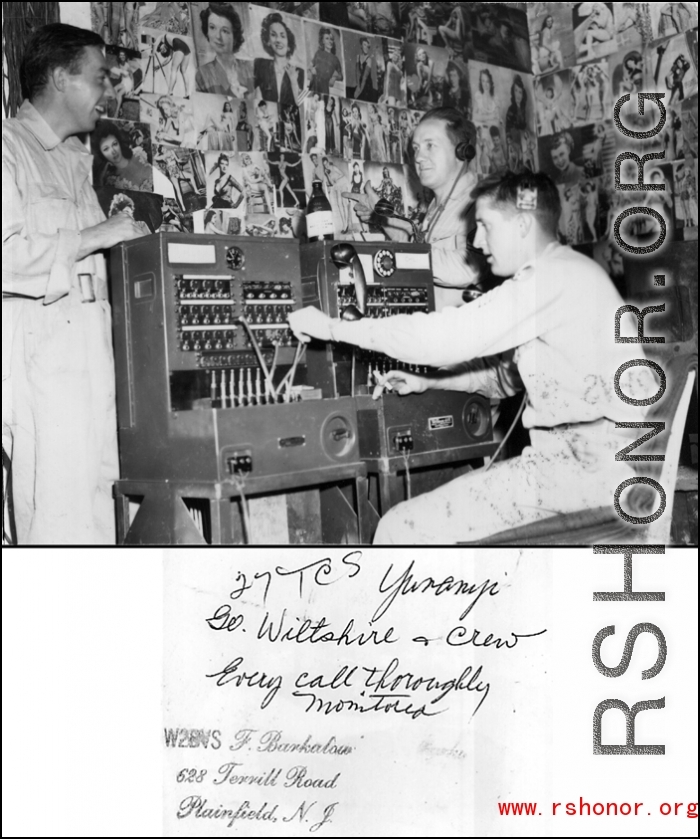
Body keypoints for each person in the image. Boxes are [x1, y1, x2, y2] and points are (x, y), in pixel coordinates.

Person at [288, 171, 657, 543]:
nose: (478, 242)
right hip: (590, 466)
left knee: (398, 528)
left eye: (484, 225)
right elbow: (505, 379)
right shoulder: (569, 271)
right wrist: (430, 381)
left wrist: (333, 328)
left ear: (523, 224)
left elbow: (441, 337)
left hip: (586, 473)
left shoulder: (549, 278)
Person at [2, 23, 146, 544]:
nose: (108, 92)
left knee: (104, 514)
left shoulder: (73, 158)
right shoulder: (8, 147)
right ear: (62, 78)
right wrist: (95, 233)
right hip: (45, 366)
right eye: (99, 78)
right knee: (58, 525)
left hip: (94, 361)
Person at [349, 107, 479, 310]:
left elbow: (467, 267)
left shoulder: (480, 202)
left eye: (430, 146)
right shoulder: (437, 207)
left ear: (461, 151)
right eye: (416, 148)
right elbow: (416, 243)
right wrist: (381, 217)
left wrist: (396, 257)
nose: (418, 157)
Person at [194, 2, 253, 97]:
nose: (218, 36)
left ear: (235, 37)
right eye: (212, 27)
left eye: (225, 31)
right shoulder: (202, 75)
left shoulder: (250, 67)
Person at [254, 12, 304, 107]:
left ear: (288, 44)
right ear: (268, 41)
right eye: (273, 35)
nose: (278, 40)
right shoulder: (260, 65)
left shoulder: (300, 72)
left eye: (282, 36)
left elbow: (302, 105)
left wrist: (293, 81)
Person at [93, 121, 153, 191]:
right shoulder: (112, 181)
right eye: (106, 149)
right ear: (101, 154)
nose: (113, 151)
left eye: (114, 144)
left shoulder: (139, 152)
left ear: (119, 142)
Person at [154, 32, 193, 99]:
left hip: (180, 46)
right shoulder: (171, 45)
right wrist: (159, 66)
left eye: (161, 49)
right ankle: (187, 94)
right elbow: (169, 59)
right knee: (183, 71)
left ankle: (170, 92)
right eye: (162, 51)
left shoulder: (162, 37)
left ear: (160, 44)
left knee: (173, 69)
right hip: (186, 49)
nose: (162, 50)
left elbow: (155, 43)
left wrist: (153, 50)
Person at [308, 27, 343, 96]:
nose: (330, 41)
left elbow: (341, 76)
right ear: (322, 41)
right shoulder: (318, 53)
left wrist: (333, 77)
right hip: (313, 85)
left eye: (331, 39)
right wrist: (311, 70)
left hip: (324, 89)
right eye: (327, 38)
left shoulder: (335, 59)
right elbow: (310, 66)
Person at [354, 36, 379, 102]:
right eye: (364, 44)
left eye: (367, 45)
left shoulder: (369, 59)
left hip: (366, 86)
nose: (366, 47)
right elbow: (357, 72)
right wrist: (358, 86)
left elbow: (365, 77)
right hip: (360, 84)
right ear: (361, 45)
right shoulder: (358, 56)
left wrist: (359, 90)